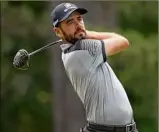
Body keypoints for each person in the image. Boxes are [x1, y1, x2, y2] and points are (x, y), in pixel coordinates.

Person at [51, 2, 138, 132]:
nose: (78, 24)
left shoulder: (71, 51)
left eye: (79, 19)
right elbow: (122, 42)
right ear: (58, 32)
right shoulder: (83, 50)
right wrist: (89, 33)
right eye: (70, 22)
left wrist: (82, 33)